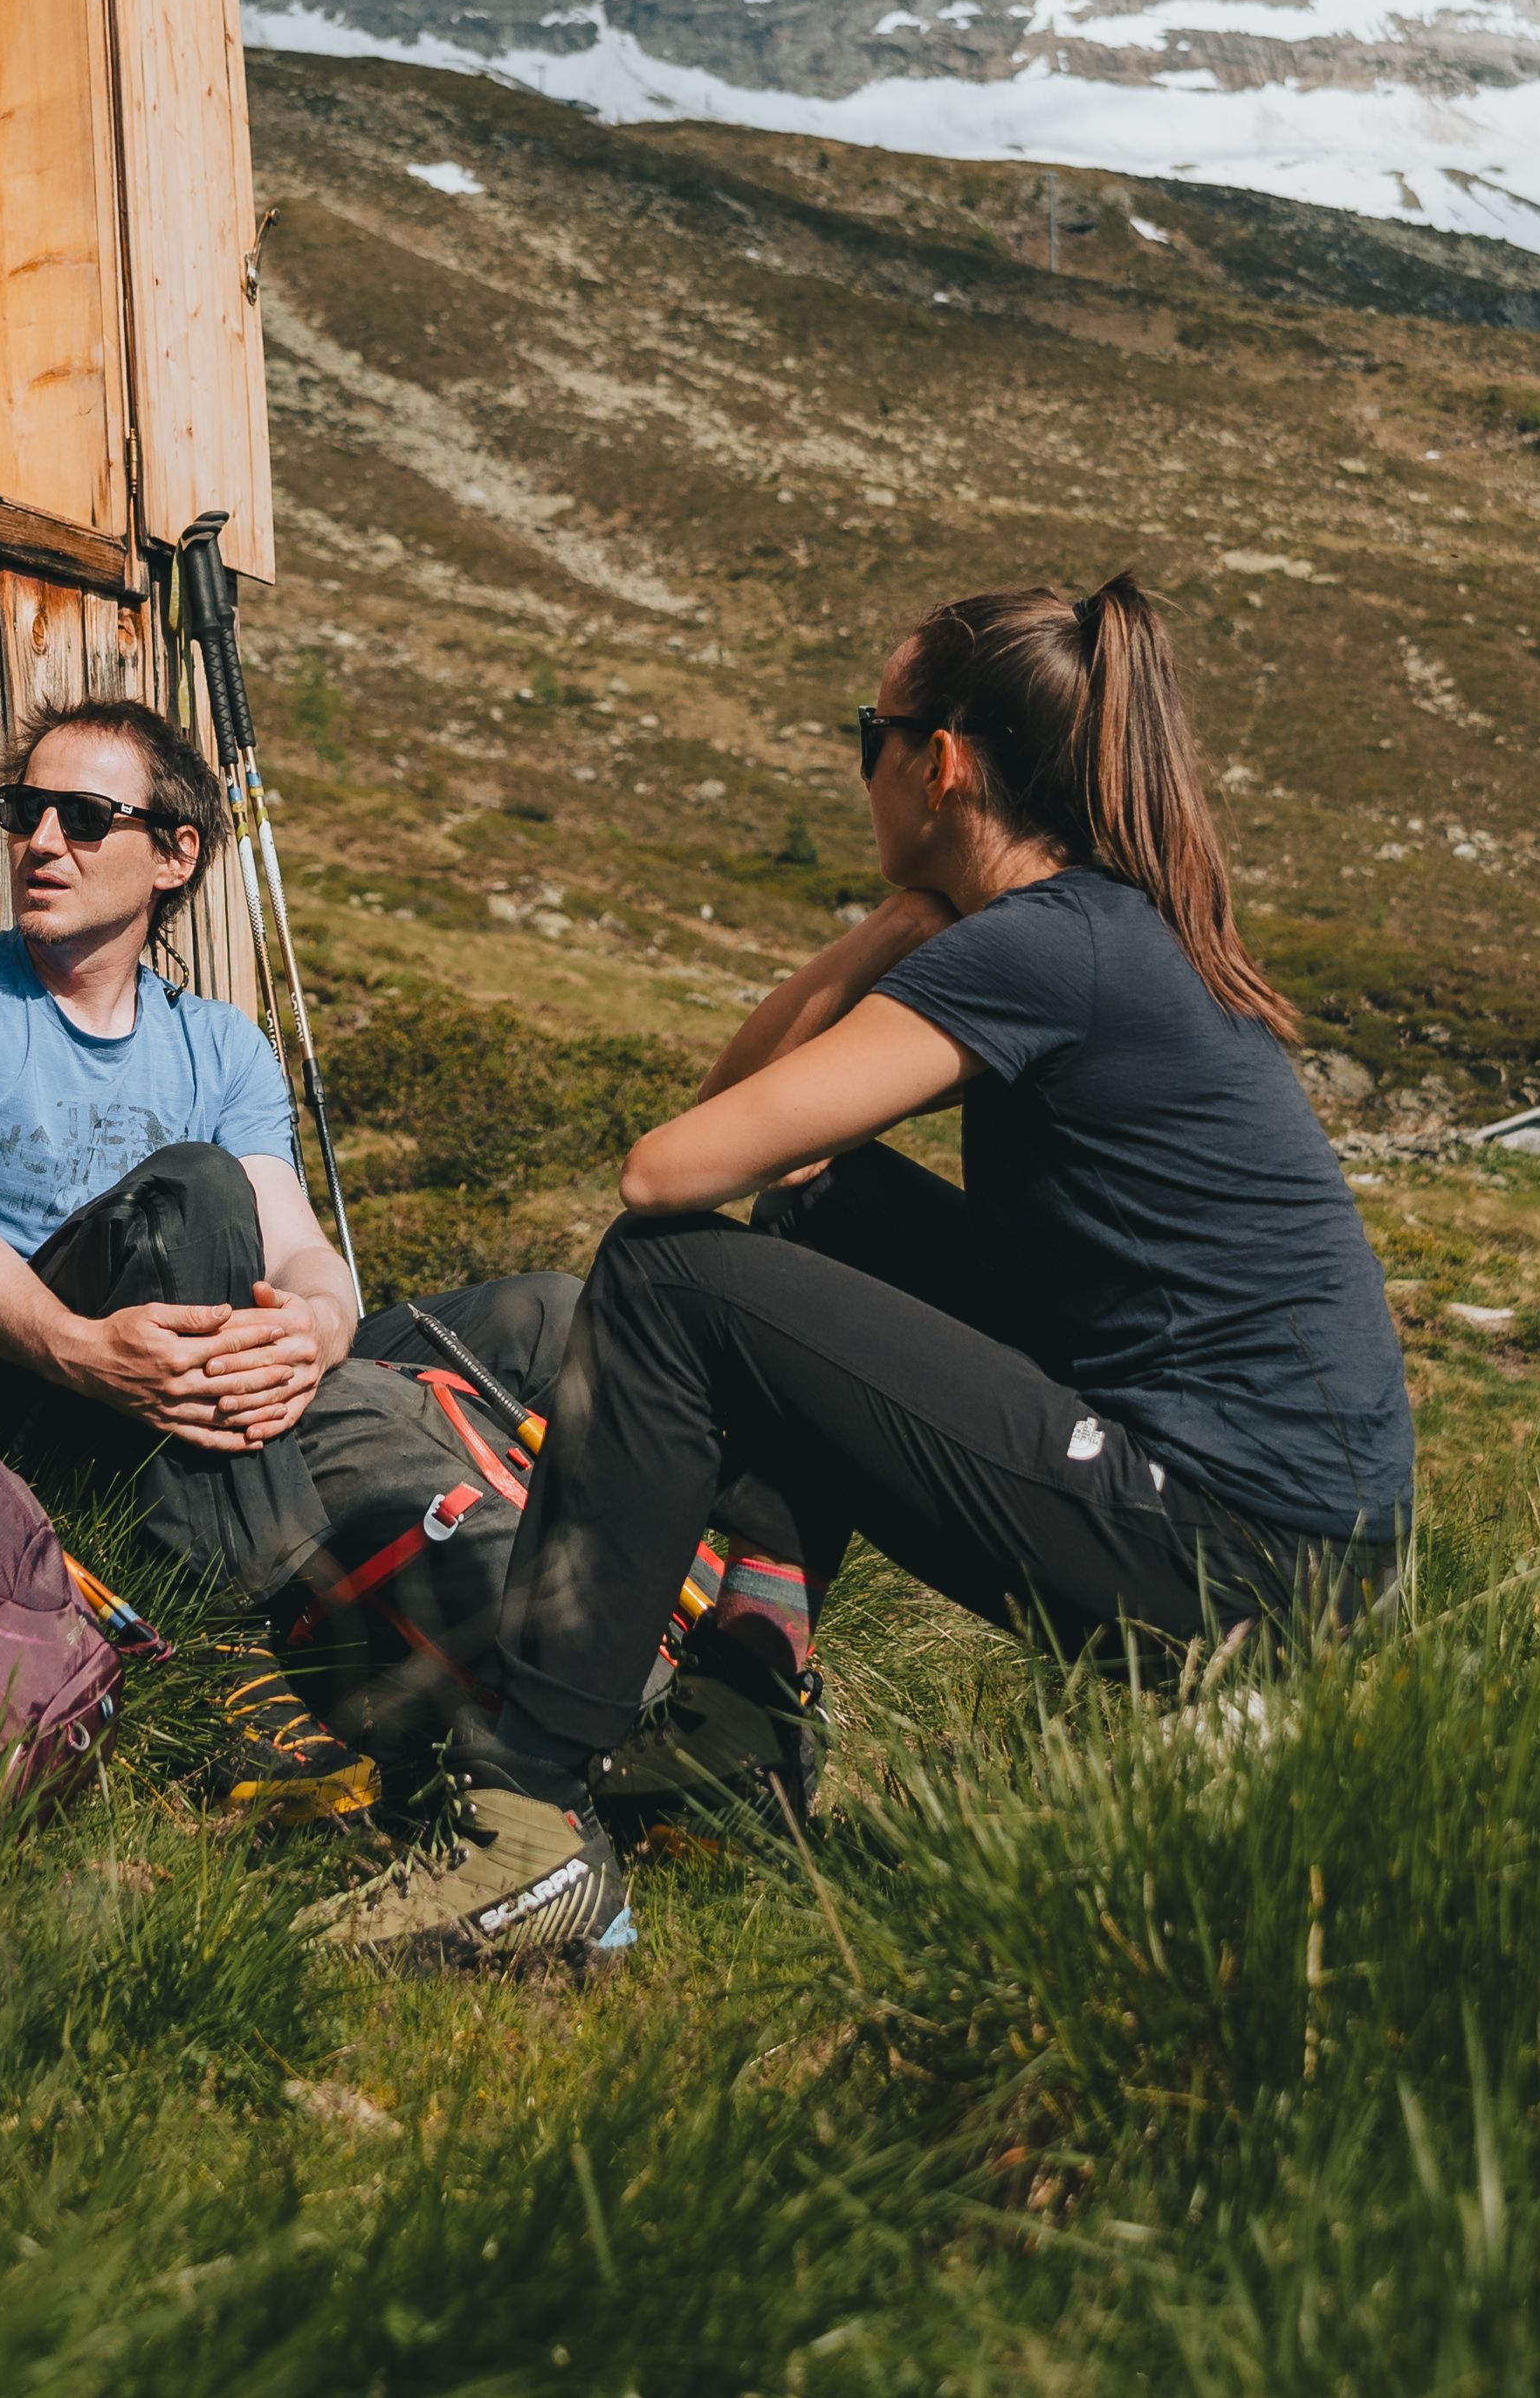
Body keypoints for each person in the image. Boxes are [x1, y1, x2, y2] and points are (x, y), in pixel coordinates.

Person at [306, 574, 1419, 1968]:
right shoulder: (1100, 925)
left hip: (1230, 1563)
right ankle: (740, 1713)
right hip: (1310, 1555)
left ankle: (520, 1826)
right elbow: (747, 1133)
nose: (864, 763)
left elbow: (667, 1171)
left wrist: (902, 928)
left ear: (939, 763)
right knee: (829, 1206)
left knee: (666, 1282)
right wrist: (899, 924)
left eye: (867, 732)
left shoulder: (1042, 947)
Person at [0, 697, 388, 1818]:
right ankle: (241, 1659)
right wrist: (85, 1350)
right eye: (22, 810)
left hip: (172, 1391)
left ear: (175, 854)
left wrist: (313, 1331)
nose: (40, 840)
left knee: (527, 1316)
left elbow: (305, 1253)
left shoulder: (223, 1042)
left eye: (84, 816)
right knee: (190, 1191)